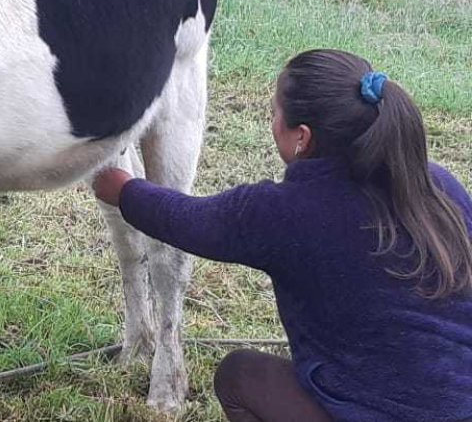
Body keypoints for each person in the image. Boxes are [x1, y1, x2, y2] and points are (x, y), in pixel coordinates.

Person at [92, 49, 472, 422]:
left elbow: (187, 220)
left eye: (274, 112)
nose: (271, 121)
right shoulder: (439, 186)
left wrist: (122, 189)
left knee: (239, 376)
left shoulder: (285, 212)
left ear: (302, 137)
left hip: (374, 406)